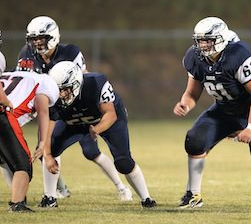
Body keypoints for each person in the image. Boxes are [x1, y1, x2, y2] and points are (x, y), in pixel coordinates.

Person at [173, 16, 251, 209]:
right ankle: (193, 195)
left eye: (208, 40)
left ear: (221, 39)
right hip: (225, 108)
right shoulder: (194, 58)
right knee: (195, 139)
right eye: (200, 40)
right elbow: (192, 93)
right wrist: (185, 104)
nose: (202, 45)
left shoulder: (238, 55)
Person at [16, 15, 132, 204]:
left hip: (74, 107)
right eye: (34, 38)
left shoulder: (70, 52)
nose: (37, 43)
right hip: (52, 110)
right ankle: (56, 192)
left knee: (90, 151)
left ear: (52, 36)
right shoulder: (26, 55)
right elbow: (22, 82)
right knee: (46, 149)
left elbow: (82, 81)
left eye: (41, 38)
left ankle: (122, 187)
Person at [44, 61, 156, 209]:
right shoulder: (53, 96)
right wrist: (47, 155)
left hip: (105, 119)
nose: (61, 94)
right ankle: (49, 198)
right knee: (49, 151)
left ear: (76, 83)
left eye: (65, 89)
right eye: (58, 90)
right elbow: (46, 129)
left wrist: (97, 129)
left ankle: (146, 199)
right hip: (73, 121)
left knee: (123, 162)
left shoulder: (95, 84)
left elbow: (110, 114)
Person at [0, 56, 59, 212]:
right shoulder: (42, 80)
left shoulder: (6, 74)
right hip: (4, 116)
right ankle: (17, 204)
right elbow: (43, 111)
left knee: (6, 159)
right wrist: (42, 142)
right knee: (23, 165)